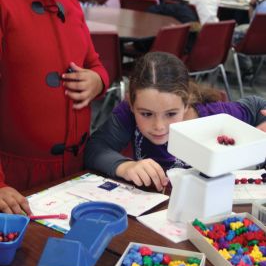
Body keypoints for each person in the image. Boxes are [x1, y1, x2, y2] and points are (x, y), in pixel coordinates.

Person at [0, 0, 109, 214]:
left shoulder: (70, 3)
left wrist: (98, 81)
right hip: (14, 182)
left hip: (74, 173)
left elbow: (95, 64)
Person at [85, 52, 266, 192]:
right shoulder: (127, 114)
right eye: (146, 114)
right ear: (131, 104)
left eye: (171, 114)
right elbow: (95, 148)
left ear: (187, 103)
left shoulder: (214, 116)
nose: (159, 126)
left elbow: (257, 105)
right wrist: (124, 166)